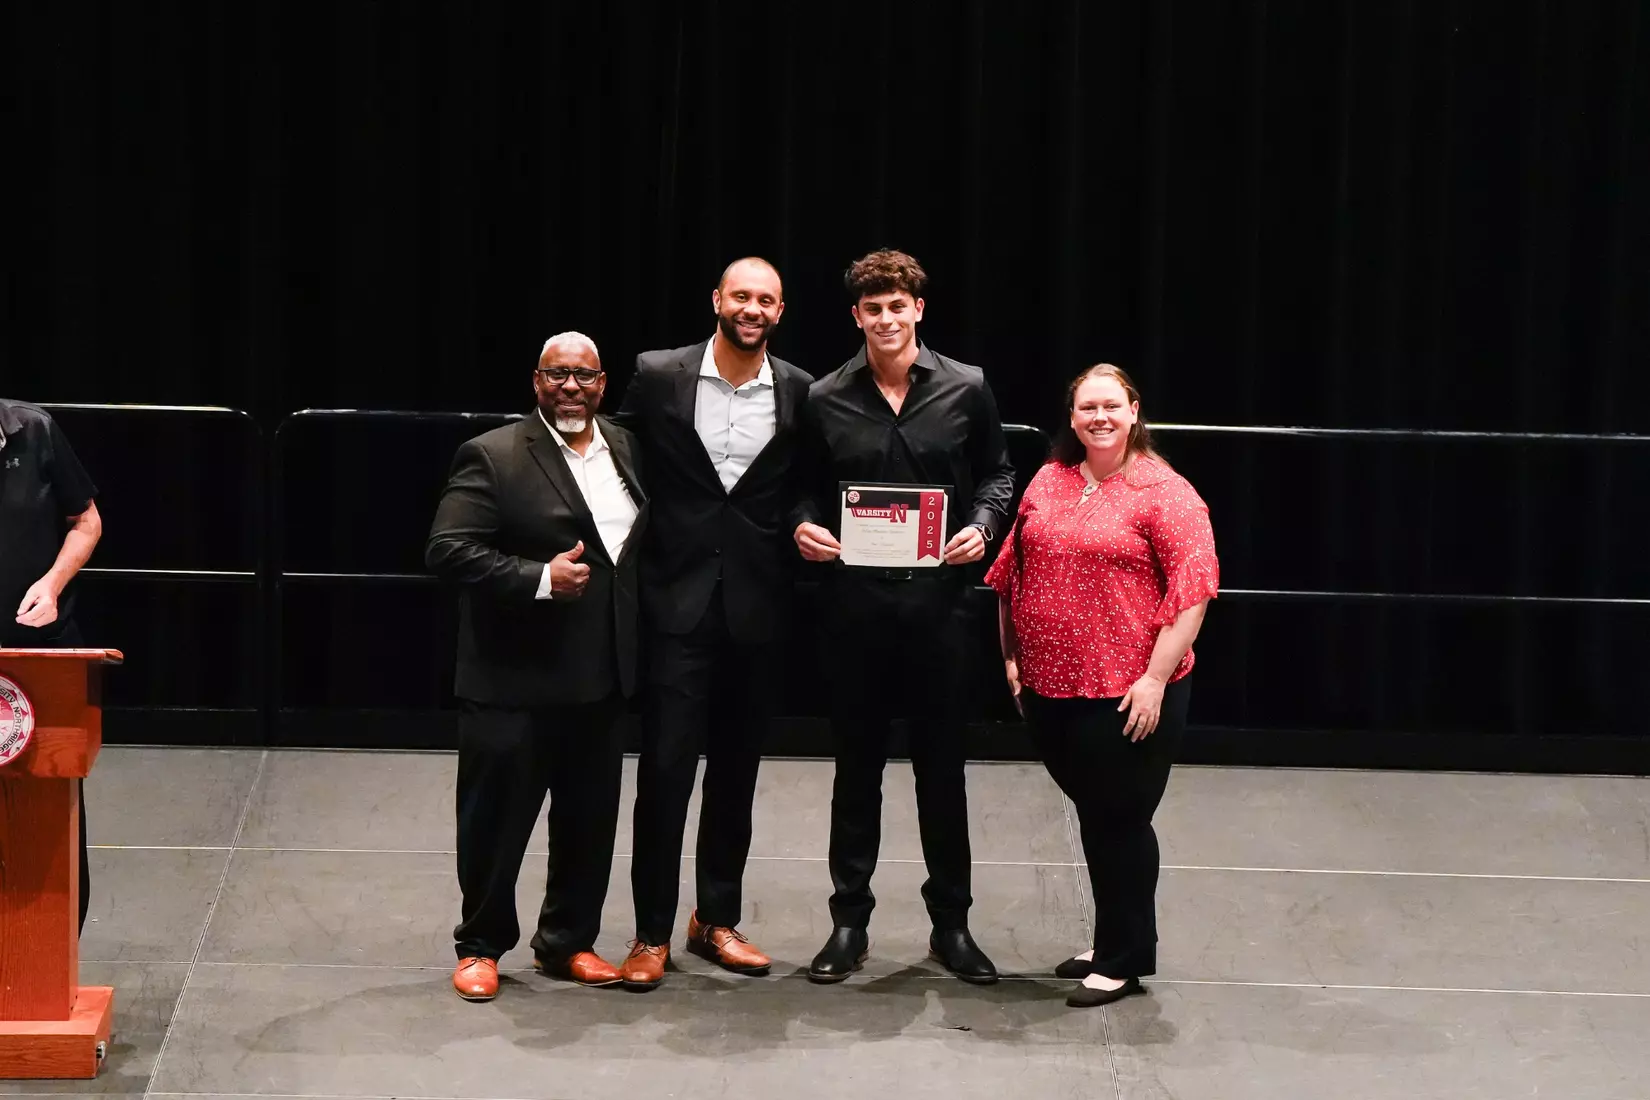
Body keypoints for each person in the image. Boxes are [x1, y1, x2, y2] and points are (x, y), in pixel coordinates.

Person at [791, 249, 1015, 984]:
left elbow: (999, 473)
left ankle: (951, 926)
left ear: (919, 309)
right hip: (853, 613)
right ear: (856, 316)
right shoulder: (823, 396)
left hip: (939, 611)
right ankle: (848, 924)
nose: (886, 319)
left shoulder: (966, 387)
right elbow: (800, 489)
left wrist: (983, 524)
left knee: (941, 774)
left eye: (897, 306)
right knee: (855, 773)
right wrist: (802, 525)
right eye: (873, 309)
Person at [985, 363, 1218, 1008]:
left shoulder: (1166, 492)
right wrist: (1011, 655)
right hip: (1049, 687)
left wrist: (1155, 679)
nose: (1100, 418)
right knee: (1097, 815)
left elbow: (1192, 595)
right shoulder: (1051, 479)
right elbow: (1011, 570)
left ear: (1134, 410)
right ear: (1072, 416)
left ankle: (1122, 959)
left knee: (1121, 820)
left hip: (1125, 691)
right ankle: (1112, 938)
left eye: (1112, 405)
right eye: (1088, 407)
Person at [425, 332, 648, 1001]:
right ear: (537, 381)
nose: (571, 387)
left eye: (584, 375)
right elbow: (447, 549)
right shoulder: (494, 454)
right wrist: (540, 578)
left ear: (603, 384)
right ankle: (480, 945)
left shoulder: (626, 447)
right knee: (495, 824)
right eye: (558, 375)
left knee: (588, 822)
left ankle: (567, 942)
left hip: (601, 675)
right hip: (513, 679)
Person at [611, 258, 812, 990]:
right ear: (718, 300)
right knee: (665, 772)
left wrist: (807, 524)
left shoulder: (800, 389)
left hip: (759, 608)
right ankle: (650, 934)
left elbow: (802, 487)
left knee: (736, 775)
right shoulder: (658, 374)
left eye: (766, 299)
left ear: (780, 311)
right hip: (675, 601)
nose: (752, 308)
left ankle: (715, 921)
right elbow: (614, 461)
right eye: (742, 296)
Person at [0, 398, 104, 936]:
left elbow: (86, 522)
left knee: (44, 810)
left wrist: (52, 584)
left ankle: (47, 946)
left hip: (37, 654)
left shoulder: (34, 430)